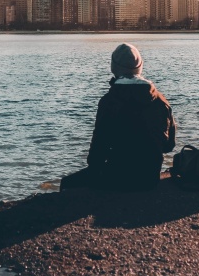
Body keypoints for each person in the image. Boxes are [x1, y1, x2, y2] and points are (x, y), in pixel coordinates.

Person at [60, 43, 176, 191]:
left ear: (114, 68)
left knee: (67, 184)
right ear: (140, 67)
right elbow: (169, 145)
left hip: (118, 177)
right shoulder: (161, 100)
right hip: (150, 177)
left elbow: (98, 151)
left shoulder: (110, 101)